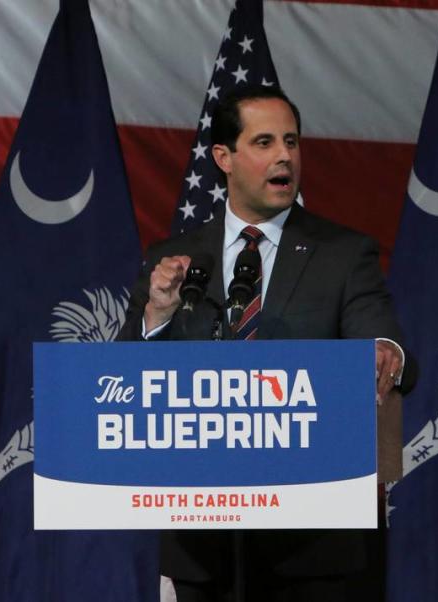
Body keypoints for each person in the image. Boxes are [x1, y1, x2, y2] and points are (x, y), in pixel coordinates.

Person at [118, 85, 416, 601]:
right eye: (264, 142)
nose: (284, 156)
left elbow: (389, 345)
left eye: (292, 141)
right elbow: (119, 387)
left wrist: (384, 352)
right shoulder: (174, 259)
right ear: (223, 157)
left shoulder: (342, 254)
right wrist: (156, 317)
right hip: (202, 545)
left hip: (315, 549)